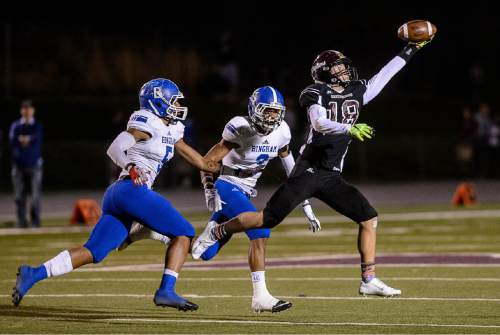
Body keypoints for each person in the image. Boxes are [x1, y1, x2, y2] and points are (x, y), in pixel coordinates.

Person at [192, 39, 433, 298]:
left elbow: (386, 74)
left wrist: (412, 48)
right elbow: (319, 123)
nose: (343, 71)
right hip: (308, 170)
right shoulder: (314, 92)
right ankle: (218, 230)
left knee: (368, 218)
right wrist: (348, 128)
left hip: (331, 176)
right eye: (337, 68)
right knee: (265, 220)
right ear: (324, 73)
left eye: (343, 67)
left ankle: (369, 279)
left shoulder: (357, 90)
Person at [12, 79, 220, 311]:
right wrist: (130, 166)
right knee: (184, 233)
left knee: (95, 251)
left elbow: (201, 162)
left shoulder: (173, 129)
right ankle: (165, 290)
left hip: (120, 195)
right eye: (173, 101)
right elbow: (115, 147)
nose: (178, 105)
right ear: (157, 102)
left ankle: (34, 274)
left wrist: (231, 166)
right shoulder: (146, 121)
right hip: (132, 190)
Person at [121, 86, 320, 313]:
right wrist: (210, 189)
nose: (271, 117)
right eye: (267, 111)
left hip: (245, 190)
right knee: (261, 229)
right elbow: (208, 161)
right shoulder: (240, 127)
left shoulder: (282, 130)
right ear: (254, 109)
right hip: (227, 185)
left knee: (204, 253)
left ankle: (151, 232)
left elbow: (288, 162)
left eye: (276, 112)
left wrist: (304, 201)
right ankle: (260, 296)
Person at [9, 100, 43, 228]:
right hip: (18, 166)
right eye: (24, 108)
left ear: (32, 110)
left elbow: (36, 139)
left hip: (35, 165)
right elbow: (12, 139)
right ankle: (21, 221)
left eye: (29, 108)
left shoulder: (37, 125)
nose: (27, 111)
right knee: (19, 196)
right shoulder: (16, 125)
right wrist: (25, 139)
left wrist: (24, 139)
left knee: (35, 196)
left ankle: (35, 222)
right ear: (21, 110)